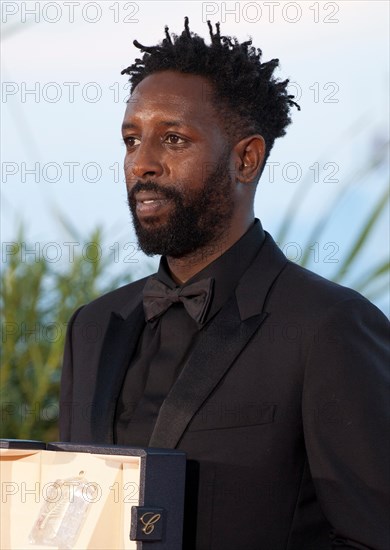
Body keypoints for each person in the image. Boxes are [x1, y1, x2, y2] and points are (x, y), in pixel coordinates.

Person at [60, 18, 389, 549]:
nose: (141, 162)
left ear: (246, 158)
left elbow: (371, 536)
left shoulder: (328, 327)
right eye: (131, 139)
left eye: (172, 139)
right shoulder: (93, 326)